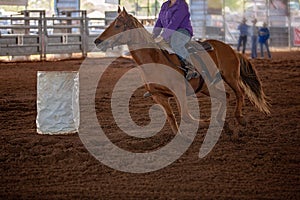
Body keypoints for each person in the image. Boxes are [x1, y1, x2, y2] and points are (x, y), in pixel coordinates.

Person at [152, 0, 199, 80]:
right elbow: (159, 21)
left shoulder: (182, 5)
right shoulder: (165, 5)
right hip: (169, 33)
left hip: (182, 31)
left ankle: (191, 67)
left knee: (176, 44)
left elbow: (174, 23)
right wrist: (154, 35)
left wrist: (163, 36)